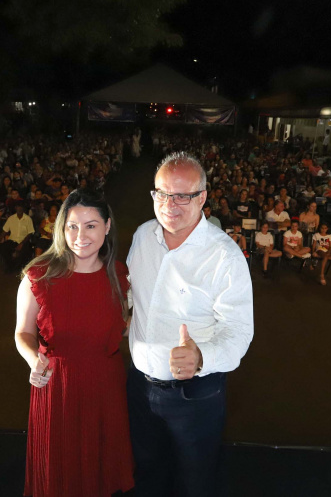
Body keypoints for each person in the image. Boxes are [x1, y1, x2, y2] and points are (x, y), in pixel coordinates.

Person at [127, 151, 254, 497]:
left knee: (194, 480)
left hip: (194, 396)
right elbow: (133, 295)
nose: (170, 204)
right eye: (162, 193)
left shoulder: (224, 257)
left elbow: (239, 331)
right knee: (146, 471)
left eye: (182, 195)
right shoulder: (142, 237)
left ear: (202, 198)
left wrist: (201, 358)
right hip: (139, 388)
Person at [14, 189, 133, 497]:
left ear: (107, 227)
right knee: (59, 475)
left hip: (105, 384)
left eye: (91, 225)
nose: (81, 235)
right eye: (72, 226)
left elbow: (121, 329)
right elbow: (23, 333)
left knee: (99, 471)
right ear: (61, 229)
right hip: (56, 386)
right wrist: (32, 360)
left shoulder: (121, 275)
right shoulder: (38, 275)